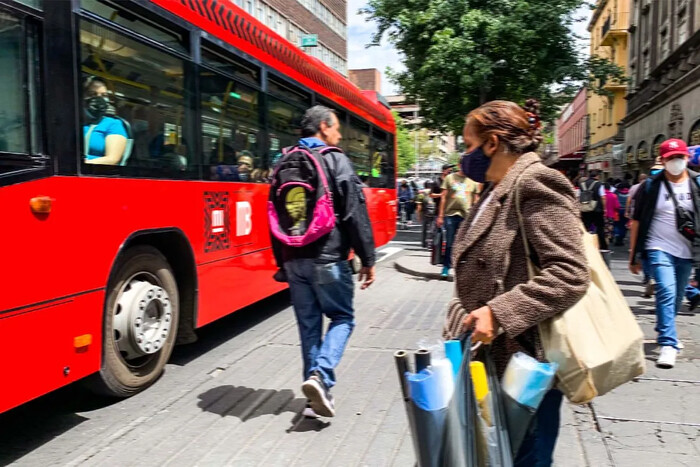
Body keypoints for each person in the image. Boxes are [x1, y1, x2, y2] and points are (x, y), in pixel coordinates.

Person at [443, 100, 589, 466]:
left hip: (526, 364)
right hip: (490, 359)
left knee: (525, 458)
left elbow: (570, 271)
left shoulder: (536, 181)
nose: (466, 155)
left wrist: (499, 312)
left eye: (468, 144)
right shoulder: (495, 189)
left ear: (492, 143)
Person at [269, 105, 376, 418]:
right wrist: (368, 259)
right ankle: (321, 376)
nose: (340, 135)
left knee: (309, 328)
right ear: (325, 127)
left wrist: (282, 262)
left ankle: (316, 396)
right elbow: (355, 213)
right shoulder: (334, 158)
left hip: (293, 258)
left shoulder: (283, 161)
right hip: (327, 256)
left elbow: (275, 215)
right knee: (343, 318)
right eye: (338, 128)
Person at [629, 138, 699, 369]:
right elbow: (637, 221)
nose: (675, 162)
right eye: (670, 158)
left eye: (679, 157)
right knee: (666, 291)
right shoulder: (651, 186)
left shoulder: (697, 184)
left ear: (687, 158)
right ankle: (668, 343)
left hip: (688, 250)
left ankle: (663, 328)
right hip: (658, 246)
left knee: (677, 296)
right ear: (662, 160)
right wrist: (634, 254)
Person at [437, 159, 480, 278]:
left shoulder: (473, 181)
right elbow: (443, 198)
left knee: (463, 244)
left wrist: (476, 217)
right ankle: (446, 266)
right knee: (450, 242)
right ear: (459, 165)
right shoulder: (449, 178)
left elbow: (476, 200)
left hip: (466, 217)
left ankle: (460, 268)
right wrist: (440, 216)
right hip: (450, 215)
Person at [83, 77, 128, 165]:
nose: (99, 99)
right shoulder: (73, 121)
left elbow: (112, 159)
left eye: (104, 95)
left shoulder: (113, 124)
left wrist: (82, 164)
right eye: (93, 94)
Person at [579, 170, 608, 249]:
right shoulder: (599, 184)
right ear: (597, 176)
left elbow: (579, 197)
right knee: (600, 228)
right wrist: (605, 209)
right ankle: (602, 246)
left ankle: (583, 244)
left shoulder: (582, 184)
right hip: (597, 209)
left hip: (585, 209)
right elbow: (603, 197)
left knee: (585, 227)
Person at [603, 182, 621, 247]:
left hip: (602, 215)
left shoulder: (602, 195)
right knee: (609, 230)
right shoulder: (613, 196)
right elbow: (617, 206)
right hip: (611, 215)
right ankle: (607, 243)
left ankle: (602, 242)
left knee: (602, 229)